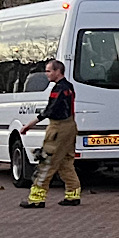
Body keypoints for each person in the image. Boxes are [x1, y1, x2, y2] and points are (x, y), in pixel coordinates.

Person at [19, 59, 80, 208]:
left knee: (47, 162)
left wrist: (29, 125)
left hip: (58, 128)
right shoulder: (69, 86)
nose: (46, 74)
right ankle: (73, 194)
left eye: (49, 71)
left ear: (57, 71)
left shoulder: (58, 89)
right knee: (66, 162)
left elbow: (50, 110)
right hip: (70, 126)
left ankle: (37, 198)